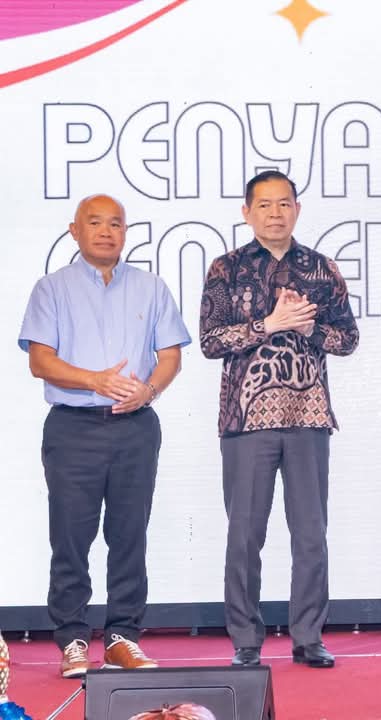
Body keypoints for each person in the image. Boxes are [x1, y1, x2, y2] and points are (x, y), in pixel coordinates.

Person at [18, 194, 190, 678]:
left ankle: (121, 638)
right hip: (73, 427)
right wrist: (94, 380)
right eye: (95, 222)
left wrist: (149, 391)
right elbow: (40, 361)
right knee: (70, 536)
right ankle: (73, 639)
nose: (106, 231)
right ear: (74, 231)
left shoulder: (152, 287)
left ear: (125, 232)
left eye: (115, 223)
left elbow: (171, 356)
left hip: (136, 426)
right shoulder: (52, 288)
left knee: (129, 534)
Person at [200, 170, 358, 668]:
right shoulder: (225, 269)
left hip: (309, 417)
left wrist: (310, 329)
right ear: (247, 212)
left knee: (311, 535)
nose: (275, 213)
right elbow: (210, 341)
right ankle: (246, 639)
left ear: (297, 209)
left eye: (284, 204)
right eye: (265, 205)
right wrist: (267, 324)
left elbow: (348, 339)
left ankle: (308, 636)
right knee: (245, 536)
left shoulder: (322, 269)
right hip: (245, 422)